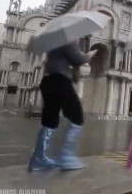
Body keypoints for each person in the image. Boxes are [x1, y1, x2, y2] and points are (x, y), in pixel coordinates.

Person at [27, 41, 97, 172]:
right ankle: (66, 157)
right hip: (60, 82)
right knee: (77, 117)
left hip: (48, 81)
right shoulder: (68, 38)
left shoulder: (56, 40)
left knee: (50, 121)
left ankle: (38, 158)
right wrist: (88, 55)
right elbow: (78, 59)